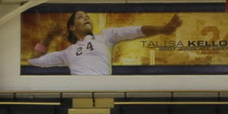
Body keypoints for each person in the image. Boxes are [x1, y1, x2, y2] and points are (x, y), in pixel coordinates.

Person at [26, 9, 182, 75]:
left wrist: (162, 29)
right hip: (78, 90)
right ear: (72, 27)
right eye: (80, 17)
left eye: (86, 16)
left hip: (102, 88)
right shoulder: (68, 52)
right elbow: (34, 60)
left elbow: (135, 30)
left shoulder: (105, 36)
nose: (86, 18)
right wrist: (48, 36)